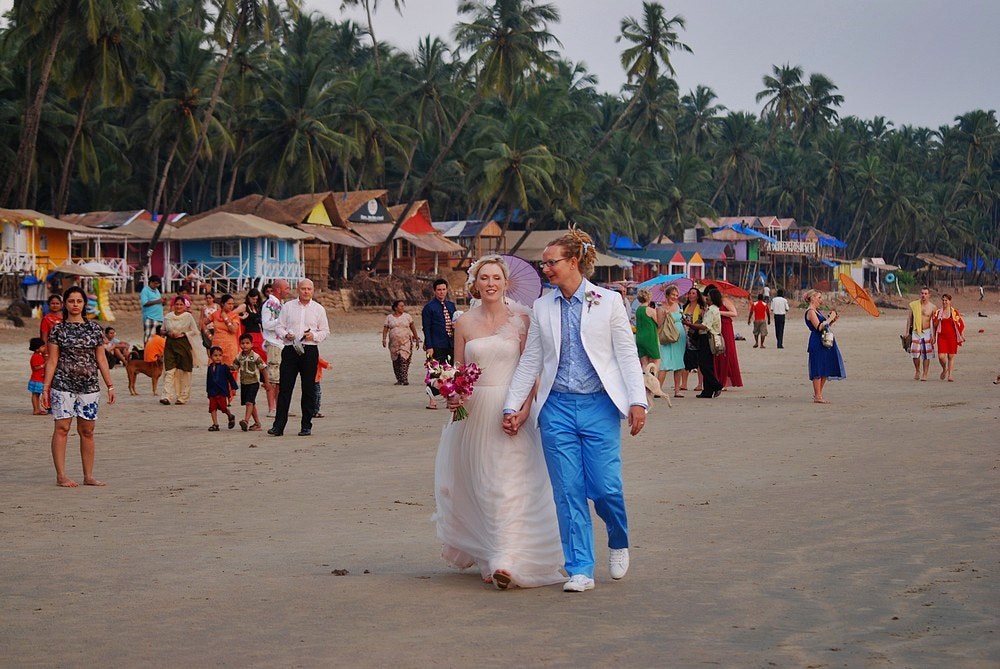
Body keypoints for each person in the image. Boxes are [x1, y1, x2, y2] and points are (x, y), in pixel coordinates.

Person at [503, 230, 647, 593]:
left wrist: (637, 400)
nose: (545, 268)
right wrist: (512, 404)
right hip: (556, 408)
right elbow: (531, 360)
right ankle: (580, 567)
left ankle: (617, 537)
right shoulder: (542, 306)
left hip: (600, 405)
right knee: (567, 490)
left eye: (551, 262)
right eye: (544, 263)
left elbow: (627, 355)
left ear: (573, 262)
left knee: (605, 488)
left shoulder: (609, 301)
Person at [434, 255, 564, 590]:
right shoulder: (463, 322)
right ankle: (490, 554)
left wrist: (523, 409)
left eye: (496, 278)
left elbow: (531, 368)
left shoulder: (523, 318)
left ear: (506, 283)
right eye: (484, 278)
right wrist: (453, 393)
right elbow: (459, 371)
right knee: (480, 483)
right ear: (475, 284)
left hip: (510, 407)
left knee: (508, 484)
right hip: (474, 412)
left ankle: (506, 558)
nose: (490, 283)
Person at [40, 286, 115, 487]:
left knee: (87, 431)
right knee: (62, 428)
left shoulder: (94, 329)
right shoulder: (58, 329)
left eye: (79, 301)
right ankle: (61, 475)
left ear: (84, 304)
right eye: (71, 301)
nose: (75, 305)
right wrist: (45, 388)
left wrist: (109, 384)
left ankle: (88, 475)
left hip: (89, 386)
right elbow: (52, 360)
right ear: (65, 304)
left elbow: (101, 358)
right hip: (62, 385)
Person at [269, 279, 330, 437]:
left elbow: (325, 331)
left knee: (308, 388)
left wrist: (314, 335)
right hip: (290, 349)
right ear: (298, 290)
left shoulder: (318, 309)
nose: (306, 291)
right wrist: (285, 334)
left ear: (313, 290)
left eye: (309, 289)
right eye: (303, 288)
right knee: (285, 388)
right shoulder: (288, 307)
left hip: (309, 350)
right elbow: (279, 326)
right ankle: (278, 426)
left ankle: (306, 425)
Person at [804, 289, 845, 403]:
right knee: (818, 367)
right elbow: (819, 327)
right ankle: (818, 395)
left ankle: (818, 394)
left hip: (824, 340)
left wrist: (832, 321)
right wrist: (830, 318)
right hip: (817, 341)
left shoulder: (816, 311)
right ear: (812, 298)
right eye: (819, 297)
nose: (821, 300)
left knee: (825, 367)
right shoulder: (811, 312)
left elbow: (825, 326)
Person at [160, 295, 202, 405]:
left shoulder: (188, 317)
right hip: (170, 345)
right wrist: (169, 333)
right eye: (177, 304)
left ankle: (183, 396)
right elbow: (162, 330)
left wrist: (183, 334)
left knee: (185, 371)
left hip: (184, 345)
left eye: (181, 305)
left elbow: (195, 331)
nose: (178, 307)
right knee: (169, 370)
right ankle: (167, 396)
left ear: (185, 306)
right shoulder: (168, 317)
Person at [422, 279, 457, 409]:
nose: (442, 292)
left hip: (450, 343)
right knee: (434, 372)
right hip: (436, 344)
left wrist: (455, 325)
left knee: (450, 372)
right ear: (434, 291)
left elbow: (457, 322)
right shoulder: (429, 307)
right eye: (439, 290)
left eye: (443, 289)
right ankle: (432, 400)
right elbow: (426, 327)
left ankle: (449, 398)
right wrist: (429, 346)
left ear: (446, 290)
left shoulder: (451, 306)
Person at [687, 288, 724, 398]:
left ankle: (716, 385)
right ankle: (707, 391)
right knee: (708, 365)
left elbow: (705, 326)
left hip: (707, 338)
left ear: (712, 298)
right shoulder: (712, 309)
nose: (706, 298)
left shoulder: (712, 310)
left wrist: (689, 324)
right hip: (708, 338)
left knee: (704, 365)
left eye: (708, 296)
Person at [261, 279, 290, 417]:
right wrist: (282, 322)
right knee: (272, 377)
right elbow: (266, 324)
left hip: (281, 344)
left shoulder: (280, 304)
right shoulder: (269, 305)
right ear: (278, 289)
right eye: (287, 288)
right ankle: (272, 408)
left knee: (281, 378)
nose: (288, 291)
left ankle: (280, 408)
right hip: (273, 343)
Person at [231, 333, 269, 431]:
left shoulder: (255, 356)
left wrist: (267, 382)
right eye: (243, 343)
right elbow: (234, 367)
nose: (245, 345)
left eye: (247, 343)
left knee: (249, 402)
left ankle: (246, 421)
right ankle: (257, 423)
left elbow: (263, 369)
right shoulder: (239, 357)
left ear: (252, 344)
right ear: (240, 344)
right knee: (251, 403)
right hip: (244, 383)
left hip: (253, 382)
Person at [656, 285, 687, 397]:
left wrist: (686, 335)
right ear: (667, 295)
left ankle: (677, 390)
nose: (674, 297)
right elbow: (659, 325)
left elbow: (683, 321)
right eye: (672, 294)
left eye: (676, 295)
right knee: (664, 363)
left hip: (679, 337)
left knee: (679, 363)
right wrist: (665, 315)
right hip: (666, 337)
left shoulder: (679, 306)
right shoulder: (660, 308)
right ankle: (658, 390)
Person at [382, 300, 420, 385]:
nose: (403, 308)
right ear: (395, 308)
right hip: (393, 343)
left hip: (406, 342)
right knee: (396, 361)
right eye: (401, 306)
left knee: (404, 359)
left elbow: (413, 328)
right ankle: (399, 379)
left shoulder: (407, 316)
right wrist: (384, 339)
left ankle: (404, 379)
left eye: (403, 306)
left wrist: (417, 339)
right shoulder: (389, 317)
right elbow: (385, 329)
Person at [932, 294, 965, 382]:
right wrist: (934, 336)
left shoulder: (954, 312)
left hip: (952, 336)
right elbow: (934, 325)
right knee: (941, 356)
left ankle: (950, 375)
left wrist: (961, 334)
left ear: (950, 301)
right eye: (943, 300)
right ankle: (944, 369)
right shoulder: (938, 312)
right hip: (942, 336)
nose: (944, 302)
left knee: (951, 356)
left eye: (946, 300)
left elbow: (959, 324)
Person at [713, 293, 743, 389]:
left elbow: (734, 313)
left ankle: (725, 381)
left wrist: (720, 312)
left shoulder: (725, 301)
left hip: (726, 327)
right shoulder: (713, 303)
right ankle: (718, 379)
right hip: (717, 327)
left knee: (726, 352)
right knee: (717, 353)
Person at [906, 287, 937, 381]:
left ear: (929, 295)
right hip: (916, 331)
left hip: (927, 332)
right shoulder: (914, 305)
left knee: (926, 354)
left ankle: (925, 374)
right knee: (915, 354)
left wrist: (934, 335)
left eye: (925, 293)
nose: (923, 295)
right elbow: (909, 319)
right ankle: (917, 370)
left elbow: (935, 323)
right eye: (922, 293)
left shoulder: (933, 307)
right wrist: (907, 332)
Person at [206, 346, 238, 431]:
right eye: (215, 355)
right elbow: (208, 380)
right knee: (212, 408)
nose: (217, 357)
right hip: (212, 391)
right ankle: (215, 424)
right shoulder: (209, 368)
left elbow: (230, 378)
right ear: (211, 356)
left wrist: (234, 388)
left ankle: (230, 415)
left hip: (222, 391)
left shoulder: (224, 367)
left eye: (220, 355)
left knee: (223, 408)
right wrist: (208, 391)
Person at [210, 294, 241, 374]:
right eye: (229, 304)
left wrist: (226, 319)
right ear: (223, 304)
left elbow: (233, 330)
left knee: (229, 370)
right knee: (215, 370)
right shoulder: (215, 314)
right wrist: (209, 335)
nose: (231, 306)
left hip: (229, 346)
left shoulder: (234, 316)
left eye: (232, 304)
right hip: (217, 345)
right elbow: (203, 323)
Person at [681, 287, 704, 392]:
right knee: (685, 359)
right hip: (685, 336)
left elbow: (702, 323)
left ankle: (700, 384)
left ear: (698, 296)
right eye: (689, 293)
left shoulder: (701, 309)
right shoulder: (685, 307)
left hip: (696, 336)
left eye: (693, 293)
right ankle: (684, 383)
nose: (691, 295)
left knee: (699, 361)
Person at [634, 288, 660, 371]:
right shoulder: (650, 310)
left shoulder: (638, 310)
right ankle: (652, 378)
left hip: (640, 337)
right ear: (649, 297)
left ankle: (644, 381)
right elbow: (659, 323)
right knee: (657, 360)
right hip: (650, 338)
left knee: (644, 362)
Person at [239, 288, 266, 359]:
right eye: (253, 299)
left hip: (258, 334)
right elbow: (231, 314)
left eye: (256, 299)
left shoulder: (256, 307)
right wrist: (241, 317)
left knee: (263, 354)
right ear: (249, 297)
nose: (255, 301)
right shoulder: (244, 306)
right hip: (249, 333)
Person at [140, 275, 166, 344]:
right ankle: (147, 353)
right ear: (150, 282)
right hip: (150, 317)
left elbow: (158, 302)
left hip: (159, 318)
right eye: (155, 283)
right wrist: (158, 301)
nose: (157, 285)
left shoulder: (157, 291)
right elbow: (145, 303)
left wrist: (162, 302)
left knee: (159, 338)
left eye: (158, 284)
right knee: (149, 338)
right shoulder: (145, 291)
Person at [28, 337, 48, 415]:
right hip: (37, 379)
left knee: (36, 395)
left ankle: (37, 409)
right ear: (37, 349)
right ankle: (36, 409)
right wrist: (44, 365)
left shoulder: (39, 356)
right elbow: (36, 367)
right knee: (36, 395)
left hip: (38, 379)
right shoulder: (36, 357)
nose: (44, 348)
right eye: (42, 347)